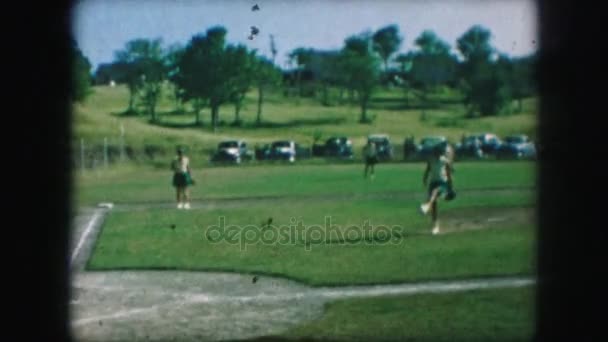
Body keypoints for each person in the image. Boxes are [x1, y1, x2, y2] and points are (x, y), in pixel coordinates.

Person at [420, 143, 455, 235]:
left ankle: (427, 206)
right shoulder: (431, 160)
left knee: (435, 192)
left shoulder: (444, 161)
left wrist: (450, 187)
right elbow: (428, 170)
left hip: (442, 183)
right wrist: (424, 178)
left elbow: (449, 174)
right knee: (434, 207)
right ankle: (435, 226)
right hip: (433, 183)